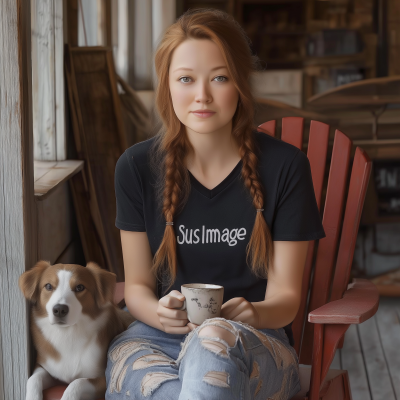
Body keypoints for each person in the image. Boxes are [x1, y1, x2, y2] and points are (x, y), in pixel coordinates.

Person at [105, 8, 325, 400]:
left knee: (212, 344)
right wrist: (158, 313)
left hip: (255, 346)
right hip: (154, 340)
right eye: (186, 79)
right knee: (163, 387)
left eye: (219, 78)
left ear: (240, 83)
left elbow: (286, 298)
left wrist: (255, 314)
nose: (202, 95)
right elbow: (137, 286)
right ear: (167, 86)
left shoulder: (285, 167)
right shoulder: (136, 168)